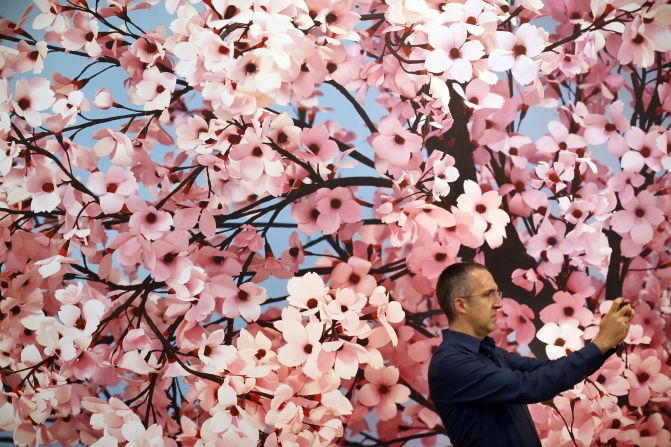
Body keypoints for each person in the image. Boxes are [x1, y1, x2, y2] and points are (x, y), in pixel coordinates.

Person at [428, 262, 634, 447]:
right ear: (461, 305)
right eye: (487, 295)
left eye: (497, 293)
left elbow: (545, 371)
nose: (498, 304)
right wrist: (601, 343)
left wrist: (606, 343)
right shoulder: (450, 363)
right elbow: (532, 385)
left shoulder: (489, 352)